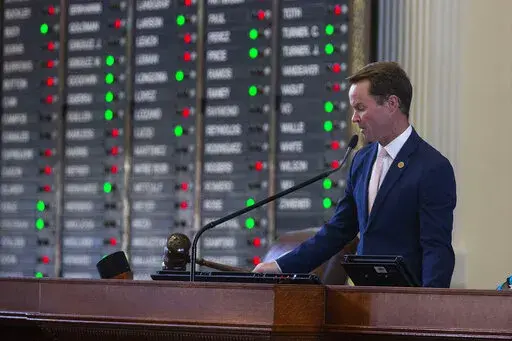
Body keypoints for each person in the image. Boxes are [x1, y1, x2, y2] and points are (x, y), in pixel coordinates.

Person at [253, 61, 456, 288]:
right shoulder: (361, 160)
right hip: (362, 300)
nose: (354, 118)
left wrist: (431, 308)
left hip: (406, 304)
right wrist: (281, 266)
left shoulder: (432, 167)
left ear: (391, 104)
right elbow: (338, 231)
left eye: (360, 108)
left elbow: (436, 248)